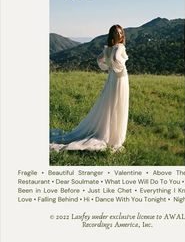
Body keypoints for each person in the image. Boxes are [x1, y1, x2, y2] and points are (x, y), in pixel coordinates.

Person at [50, 24, 129, 152]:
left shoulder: (107, 48)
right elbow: (115, 58)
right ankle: (114, 137)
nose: (120, 35)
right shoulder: (120, 47)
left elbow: (99, 60)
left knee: (109, 104)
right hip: (121, 79)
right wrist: (117, 65)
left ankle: (107, 131)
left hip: (112, 79)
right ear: (113, 35)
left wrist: (109, 66)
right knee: (117, 105)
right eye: (117, 33)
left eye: (121, 33)